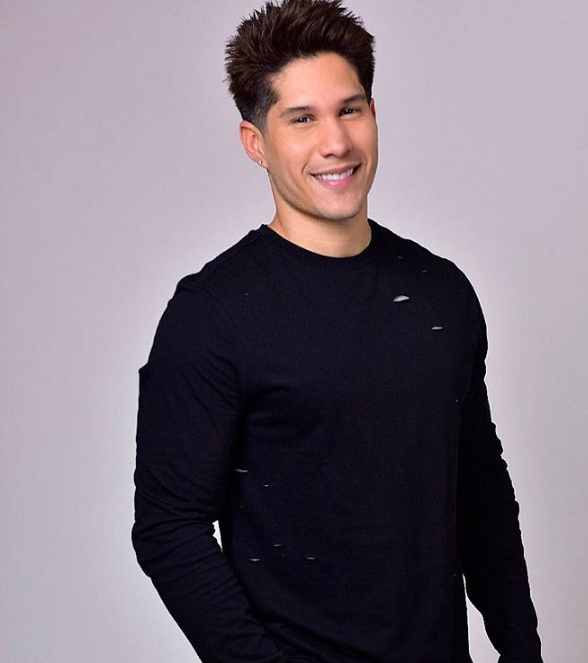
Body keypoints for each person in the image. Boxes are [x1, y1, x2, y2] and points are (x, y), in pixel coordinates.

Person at [131, 0, 544, 661]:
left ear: (374, 114)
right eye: (302, 118)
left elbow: (480, 491)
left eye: (349, 110)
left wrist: (522, 650)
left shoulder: (440, 292)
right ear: (256, 143)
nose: (336, 142)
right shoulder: (212, 315)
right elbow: (168, 528)